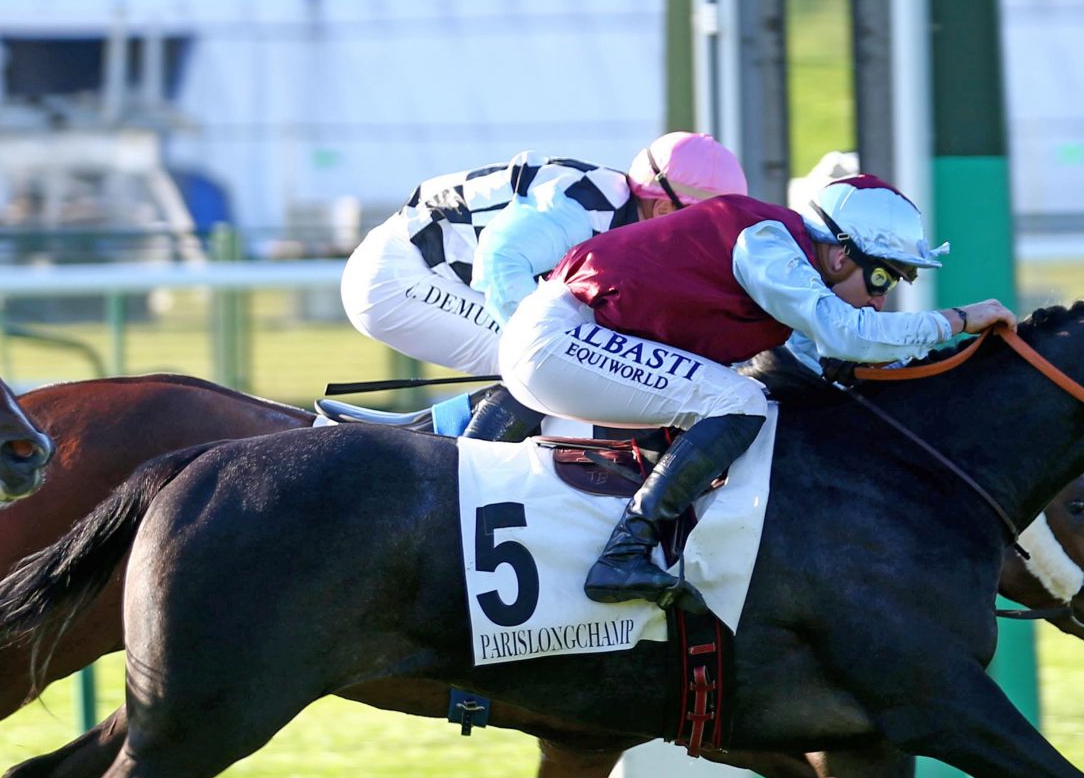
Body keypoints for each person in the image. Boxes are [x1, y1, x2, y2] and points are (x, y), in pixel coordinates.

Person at [489, 174, 1018, 612]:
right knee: (737, 401)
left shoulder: (794, 277)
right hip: (558, 338)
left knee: (738, 400)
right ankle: (624, 553)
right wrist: (958, 320)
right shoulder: (767, 243)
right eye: (881, 278)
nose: (881, 299)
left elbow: (842, 354)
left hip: (571, 338)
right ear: (840, 256)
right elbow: (847, 333)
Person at [339, 133, 747, 430]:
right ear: (662, 208)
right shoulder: (578, 210)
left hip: (431, 272)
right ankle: (454, 476)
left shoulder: (630, 216)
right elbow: (500, 263)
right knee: (548, 363)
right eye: (705, 225)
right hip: (397, 278)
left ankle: (433, 439)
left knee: (571, 359)